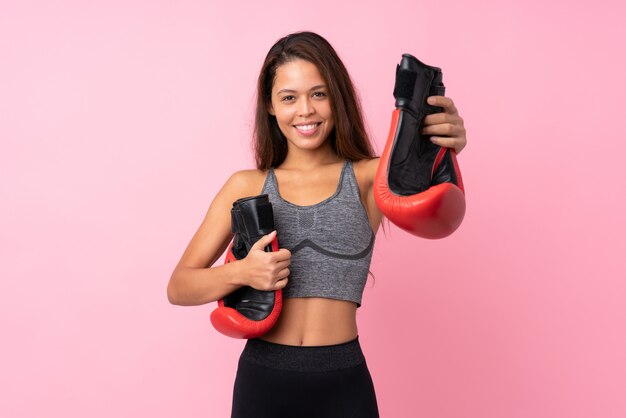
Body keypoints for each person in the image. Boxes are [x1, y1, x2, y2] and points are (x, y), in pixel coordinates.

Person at [167, 31, 467, 418]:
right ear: (271, 107)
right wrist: (244, 272)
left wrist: (449, 142)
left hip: (343, 384)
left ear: (336, 98)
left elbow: (435, 190)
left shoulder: (369, 177)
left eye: (318, 94)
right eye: (289, 97)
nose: (305, 110)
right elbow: (179, 286)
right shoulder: (246, 185)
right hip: (263, 382)